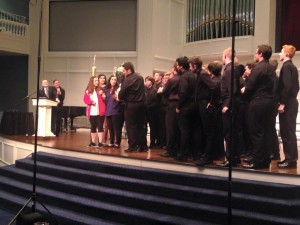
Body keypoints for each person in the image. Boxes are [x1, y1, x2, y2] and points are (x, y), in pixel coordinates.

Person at [242, 44, 277, 169]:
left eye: (256, 53)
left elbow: (250, 87)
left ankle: (257, 162)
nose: (255, 55)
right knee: (266, 132)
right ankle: (265, 161)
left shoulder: (258, 68)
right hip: (270, 103)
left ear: (261, 54)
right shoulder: (271, 68)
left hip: (258, 102)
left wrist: (243, 94)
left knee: (256, 132)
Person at [189, 57, 218, 166]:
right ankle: (206, 155)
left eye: (191, 65)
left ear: (194, 66)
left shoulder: (202, 74)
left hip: (204, 104)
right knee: (205, 131)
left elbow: (214, 87)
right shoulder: (200, 74)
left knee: (208, 132)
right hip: (201, 104)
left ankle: (208, 157)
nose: (190, 67)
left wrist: (212, 102)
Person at [218, 48, 242, 167]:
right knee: (234, 133)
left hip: (230, 104)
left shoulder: (229, 69)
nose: (222, 58)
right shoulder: (233, 69)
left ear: (226, 55)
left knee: (229, 133)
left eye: (222, 55)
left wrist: (227, 104)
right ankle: (235, 157)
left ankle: (230, 159)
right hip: (233, 103)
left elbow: (232, 88)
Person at [277, 45, 299, 168]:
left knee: (287, 132)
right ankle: (290, 159)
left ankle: (290, 160)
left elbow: (286, 86)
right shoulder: (292, 67)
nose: (279, 54)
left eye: (281, 52)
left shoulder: (286, 67)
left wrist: (282, 103)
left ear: (286, 53)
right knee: (288, 131)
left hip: (288, 103)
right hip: (292, 102)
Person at [118, 62, 148, 152]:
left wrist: (119, 97)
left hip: (131, 105)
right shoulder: (140, 77)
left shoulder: (127, 80)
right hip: (142, 104)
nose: (123, 72)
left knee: (131, 126)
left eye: (124, 71)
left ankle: (133, 147)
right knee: (141, 125)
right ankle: (143, 146)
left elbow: (121, 93)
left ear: (129, 70)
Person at [176, 56, 197, 161]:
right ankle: (192, 154)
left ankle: (182, 155)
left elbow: (183, 93)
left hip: (186, 107)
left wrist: (179, 107)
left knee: (184, 131)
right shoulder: (193, 75)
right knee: (192, 131)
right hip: (194, 106)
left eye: (177, 65)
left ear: (181, 66)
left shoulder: (184, 77)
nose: (176, 67)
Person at [83, 76, 106, 147]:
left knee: (100, 126)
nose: (97, 82)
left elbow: (104, 98)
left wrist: (103, 95)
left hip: (100, 111)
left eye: (97, 81)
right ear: (92, 82)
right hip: (92, 112)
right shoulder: (88, 91)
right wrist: (91, 102)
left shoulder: (101, 89)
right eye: (95, 81)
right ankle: (93, 142)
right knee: (93, 127)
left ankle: (100, 142)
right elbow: (85, 99)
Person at [105, 75, 122, 148]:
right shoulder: (107, 89)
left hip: (116, 111)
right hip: (108, 111)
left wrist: (118, 98)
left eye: (115, 80)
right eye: (112, 79)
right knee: (110, 128)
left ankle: (117, 143)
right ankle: (111, 142)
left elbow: (121, 100)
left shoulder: (118, 89)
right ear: (109, 81)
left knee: (117, 128)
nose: (113, 81)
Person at [144, 76, 159, 148]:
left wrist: (149, 106)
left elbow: (156, 102)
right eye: (146, 80)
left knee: (153, 128)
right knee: (144, 128)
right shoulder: (144, 90)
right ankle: (144, 143)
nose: (146, 82)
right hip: (145, 112)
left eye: (148, 80)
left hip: (152, 112)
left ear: (151, 82)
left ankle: (152, 143)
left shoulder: (155, 90)